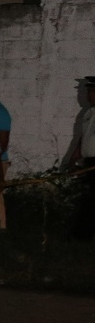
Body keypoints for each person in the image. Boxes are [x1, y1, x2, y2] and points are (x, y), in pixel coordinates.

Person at [67, 75, 95, 240]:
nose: (88, 95)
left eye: (92, 92)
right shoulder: (88, 113)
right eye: (88, 91)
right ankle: (82, 234)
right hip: (89, 163)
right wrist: (73, 159)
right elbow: (83, 139)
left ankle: (81, 235)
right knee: (88, 199)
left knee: (90, 201)